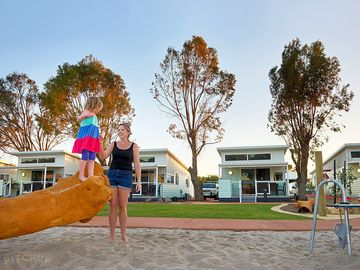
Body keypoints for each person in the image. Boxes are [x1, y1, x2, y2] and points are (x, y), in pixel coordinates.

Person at [99, 123, 141, 242]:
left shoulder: (134, 146)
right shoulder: (113, 144)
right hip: (112, 175)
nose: (120, 131)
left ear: (128, 132)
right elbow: (103, 156)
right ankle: (112, 235)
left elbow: (137, 164)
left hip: (126, 175)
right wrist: (100, 143)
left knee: (123, 207)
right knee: (112, 206)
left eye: (122, 130)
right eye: (119, 130)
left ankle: (123, 235)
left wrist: (138, 181)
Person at [72, 96, 103, 181]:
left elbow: (94, 127)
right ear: (93, 105)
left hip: (93, 138)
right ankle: (81, 175)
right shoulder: (86, 111)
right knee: (85, 156)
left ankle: (90, 175)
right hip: (86, 137)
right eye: (97, 108)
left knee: (92, 157)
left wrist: (98, 135)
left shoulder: (95, 116)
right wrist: (84, 116)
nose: (97, 110)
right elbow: (78, 118)